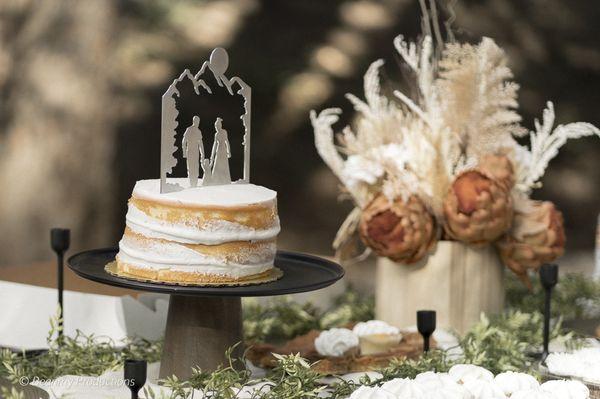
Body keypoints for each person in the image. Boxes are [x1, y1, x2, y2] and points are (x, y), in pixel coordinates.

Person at [182, 116, 204, 187]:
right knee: (191, 167)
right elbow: (184, 141)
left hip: (196, 152)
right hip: (190, 151)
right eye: (196, 121)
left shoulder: (198, 131)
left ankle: (195, 184)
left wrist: (202, 153)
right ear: (193, 121)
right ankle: (192, 184)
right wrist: (184, 152)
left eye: (198, 121)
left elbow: (200, 143)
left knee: (195, 167)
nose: (197, 123)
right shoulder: (189, 129)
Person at [210, 118, 231, 184]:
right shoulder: (216, 134)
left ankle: (225, 180)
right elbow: (214, 145)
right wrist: (212, 156)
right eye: (215, 126)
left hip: (223, 151)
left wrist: (228, 151)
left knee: (224, 165)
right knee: (217, 165)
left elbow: (227, 142)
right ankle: (215, 181)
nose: (216, 127)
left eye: (217, 126)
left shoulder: (224, 132)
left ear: (220, 125)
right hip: (218, 151)